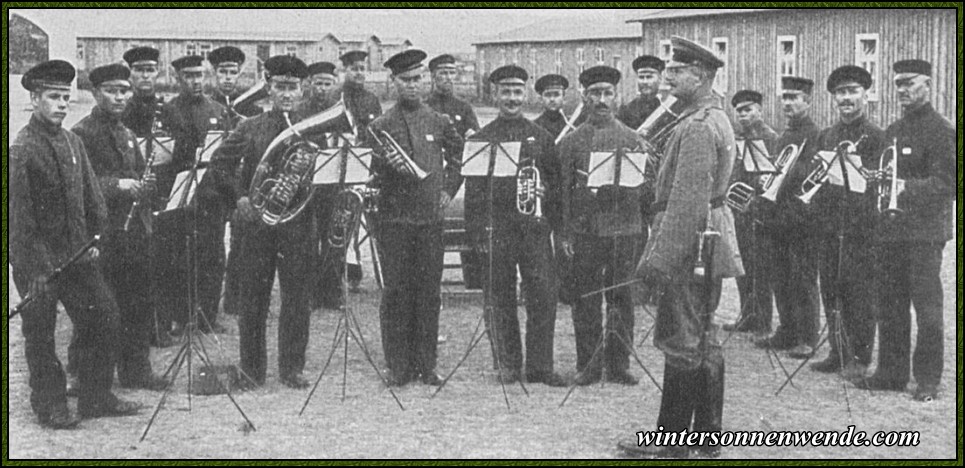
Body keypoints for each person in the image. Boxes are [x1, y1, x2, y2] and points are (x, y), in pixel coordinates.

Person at [620, 36, 743, 459]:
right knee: (705, 338)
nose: (668, 76)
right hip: (709, 240)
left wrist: (657, 262)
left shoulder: (696, 127)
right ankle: (707, 438)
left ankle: (671, 445)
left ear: (702, 76)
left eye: (678, 70)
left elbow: (687, 204)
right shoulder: (713, 117)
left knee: (682, 339)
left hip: (690, 246)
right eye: (669, 68)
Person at [11, 60, 140, 428]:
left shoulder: (72, 141)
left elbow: (92, 197)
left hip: (78, 257)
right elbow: (19, 221)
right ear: (35, 99)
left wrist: (95, 238)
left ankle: (96, 397)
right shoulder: (21, 149)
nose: (62, 104)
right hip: (38, 265)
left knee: (105, 317)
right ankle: (50, 405)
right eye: (54, 97)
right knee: (40, 333)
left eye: (66, 97)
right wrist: (35, 270)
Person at [202, 54, 315, 389]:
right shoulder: (250, 127)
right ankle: (252, 368)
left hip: (297, 224)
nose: (287, 94)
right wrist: (239, 197)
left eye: (293, 88)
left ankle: (292, 368)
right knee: (254, 300)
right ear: (269, 87)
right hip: (258, 226)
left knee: (297, 299)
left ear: (302, 90)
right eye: (280, 87)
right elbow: (218, 164)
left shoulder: (312, 126)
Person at [365, 49, 463, 386]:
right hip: (394, 221)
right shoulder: (380, 125)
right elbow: (370, 173)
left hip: (429, 221)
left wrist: (449, 190)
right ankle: (397, 365)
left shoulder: (438, 120)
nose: (413, 86)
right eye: (406, 80)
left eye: (417, 79)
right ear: (393, 83)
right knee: (396, 293)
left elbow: (458, 157)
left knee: (428, 293)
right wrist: (383, 167)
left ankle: (427, 363)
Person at [857, 59, 953, 402]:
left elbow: (946, 184)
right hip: (892, 230)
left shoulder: (943, 131)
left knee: (927, 308)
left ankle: (928, 380)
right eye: (897, 84)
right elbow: (886, 172)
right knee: (890, 303)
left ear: (927, 84)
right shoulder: (894, 130)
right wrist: (876, 179)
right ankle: (891, 373)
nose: (902, 90)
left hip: (925, 234)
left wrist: (900, 187)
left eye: (909, 83)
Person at [465, 65, 566, 387]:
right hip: (498, 230)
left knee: (543, 296)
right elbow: (474, 193)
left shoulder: (542, 137)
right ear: (495, 94)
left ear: (525, 94)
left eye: (517, 91)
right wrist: (478, 233)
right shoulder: (482, 139)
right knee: (499, 297)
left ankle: (540, 367)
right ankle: (508, 364)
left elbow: (556, 186)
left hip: (534, 230)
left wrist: (544, 192)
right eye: (506, 92)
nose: (512, 98)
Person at [70, 63, 168, 392]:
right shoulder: (83, 133)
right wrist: (121, 185)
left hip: (134, 232)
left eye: (124, 91)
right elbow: (81, 185)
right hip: (105, 233)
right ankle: (88, 377)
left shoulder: (127, 133)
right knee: (101, 307)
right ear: (96, 93)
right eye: (112, 90)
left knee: (137, 302)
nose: (120, 97)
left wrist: (146, 182)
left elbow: (139, 174)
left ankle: (136, 371)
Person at [559, 65, 649, 386]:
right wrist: (566, 232)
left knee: (621, 297)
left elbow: (644, 191)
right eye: (595, 93)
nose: (601, 99)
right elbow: (562, 194)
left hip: (623, 230)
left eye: (607, 93)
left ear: (617, 96)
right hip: (585, 231)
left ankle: (619, 363)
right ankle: (589, 364)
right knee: (586, 298)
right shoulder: (571, 142)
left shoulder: (633, 138)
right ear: (584, 96)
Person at [808, 65, 885, 379]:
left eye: (852, 91)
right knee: (830, 288)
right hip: (830, 226)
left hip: (861, 227)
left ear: (865, 95)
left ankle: (859, 355)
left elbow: (881, 185)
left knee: (859, 293)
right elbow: (818, 182)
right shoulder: (827, 135)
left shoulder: (878, 137)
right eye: (840, 93)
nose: (846, 98)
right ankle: (836, 351)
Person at [156, 54, 227, 336]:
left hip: (212, 194)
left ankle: (208, 315)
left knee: (213, 256)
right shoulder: (169, 111)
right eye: (189, 76)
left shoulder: (218, 109)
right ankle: (182, 316)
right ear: (177, 78)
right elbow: (164, 155)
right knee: (181, 257)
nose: (196, 81)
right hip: (182, 193)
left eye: (199, 75)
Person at [753, 77, 822, 359]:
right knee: (780, 277)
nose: (788, 103)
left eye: (794, 97)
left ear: (808, 101)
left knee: (803, 279)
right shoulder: (785, 136)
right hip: (778, 216)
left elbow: (812, 176)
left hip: (802, 218)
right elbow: (777, 171)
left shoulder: (816, 135)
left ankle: (808, 336)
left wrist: (786, 174)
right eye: (785, 98)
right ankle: (787, 330)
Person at [120, 45, 173, 347]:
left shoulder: (166, 108)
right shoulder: (124, 110)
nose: (145, 75)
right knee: (139, 265)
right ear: (131, 74)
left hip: (162, 190)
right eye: (139, 70)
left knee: (163, 261)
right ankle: (141, 330)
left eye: (150, 70)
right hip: (134, 195)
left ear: (157, 72)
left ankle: (160, 325)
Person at [723, 89, 780, 335]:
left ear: (760, 110)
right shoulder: (736, 138)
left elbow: (772, 175)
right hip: (740, 211)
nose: (743, 115)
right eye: (739, 111)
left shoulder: (770, 138)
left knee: (761, 269)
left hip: (761, 211)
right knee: (743, 265)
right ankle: (747, 315)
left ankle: (763, 320)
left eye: (748, 110)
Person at [426, 53, 483, 291]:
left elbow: (474, 148)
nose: (448, 78)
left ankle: (475, 278)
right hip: (433, 180)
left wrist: (450, 188)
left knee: (475, 210)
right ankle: (430, 282)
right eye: (443, 73)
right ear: (433, 77)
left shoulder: (464, 108)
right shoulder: (425, 107)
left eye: (451, 73)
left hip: (459, 178)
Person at [298, 61, 348, 310]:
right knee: (308, 240)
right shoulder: (300, 111)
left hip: (333, 185)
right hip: (308, 185)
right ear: (309, 85)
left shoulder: (340, 110)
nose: (322, 89)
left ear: (334, 85)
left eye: (327, 84)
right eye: (318, 83)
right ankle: (308, 293)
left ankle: (331, 292)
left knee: (334, 238)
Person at [532, 73, 578, 306]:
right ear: (541, 98)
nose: (552, 100)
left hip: (564, 193)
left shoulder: (572, 126)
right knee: (541, 245)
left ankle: (566, 290)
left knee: (564, 243)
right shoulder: (535, 126)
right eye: (548, 95)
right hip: (543, 192)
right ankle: (544, 290)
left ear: (563, 97)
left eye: (556, 95)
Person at [339, 50, 383, 290]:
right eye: (353, 68)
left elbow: (378, 135)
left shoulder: (371, 99)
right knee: (345, 219)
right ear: (344, 70)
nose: (358, 73)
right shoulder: (338, 96)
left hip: (368, 167)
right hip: (342, 166)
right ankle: (346, 268)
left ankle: (370, 270)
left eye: (361, 68)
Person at [208, 45, 264, 124]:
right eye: (223, 72)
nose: (228, 77)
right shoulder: (205, 105)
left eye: (233, 72)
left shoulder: (252, 109)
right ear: (214, 72)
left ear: (239, 74)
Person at [616, 55, 665, 131]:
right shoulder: (626, 111)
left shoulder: (665, 108)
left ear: (660, 79)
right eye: (641, 77)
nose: (645, 82)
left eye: (649, 77)